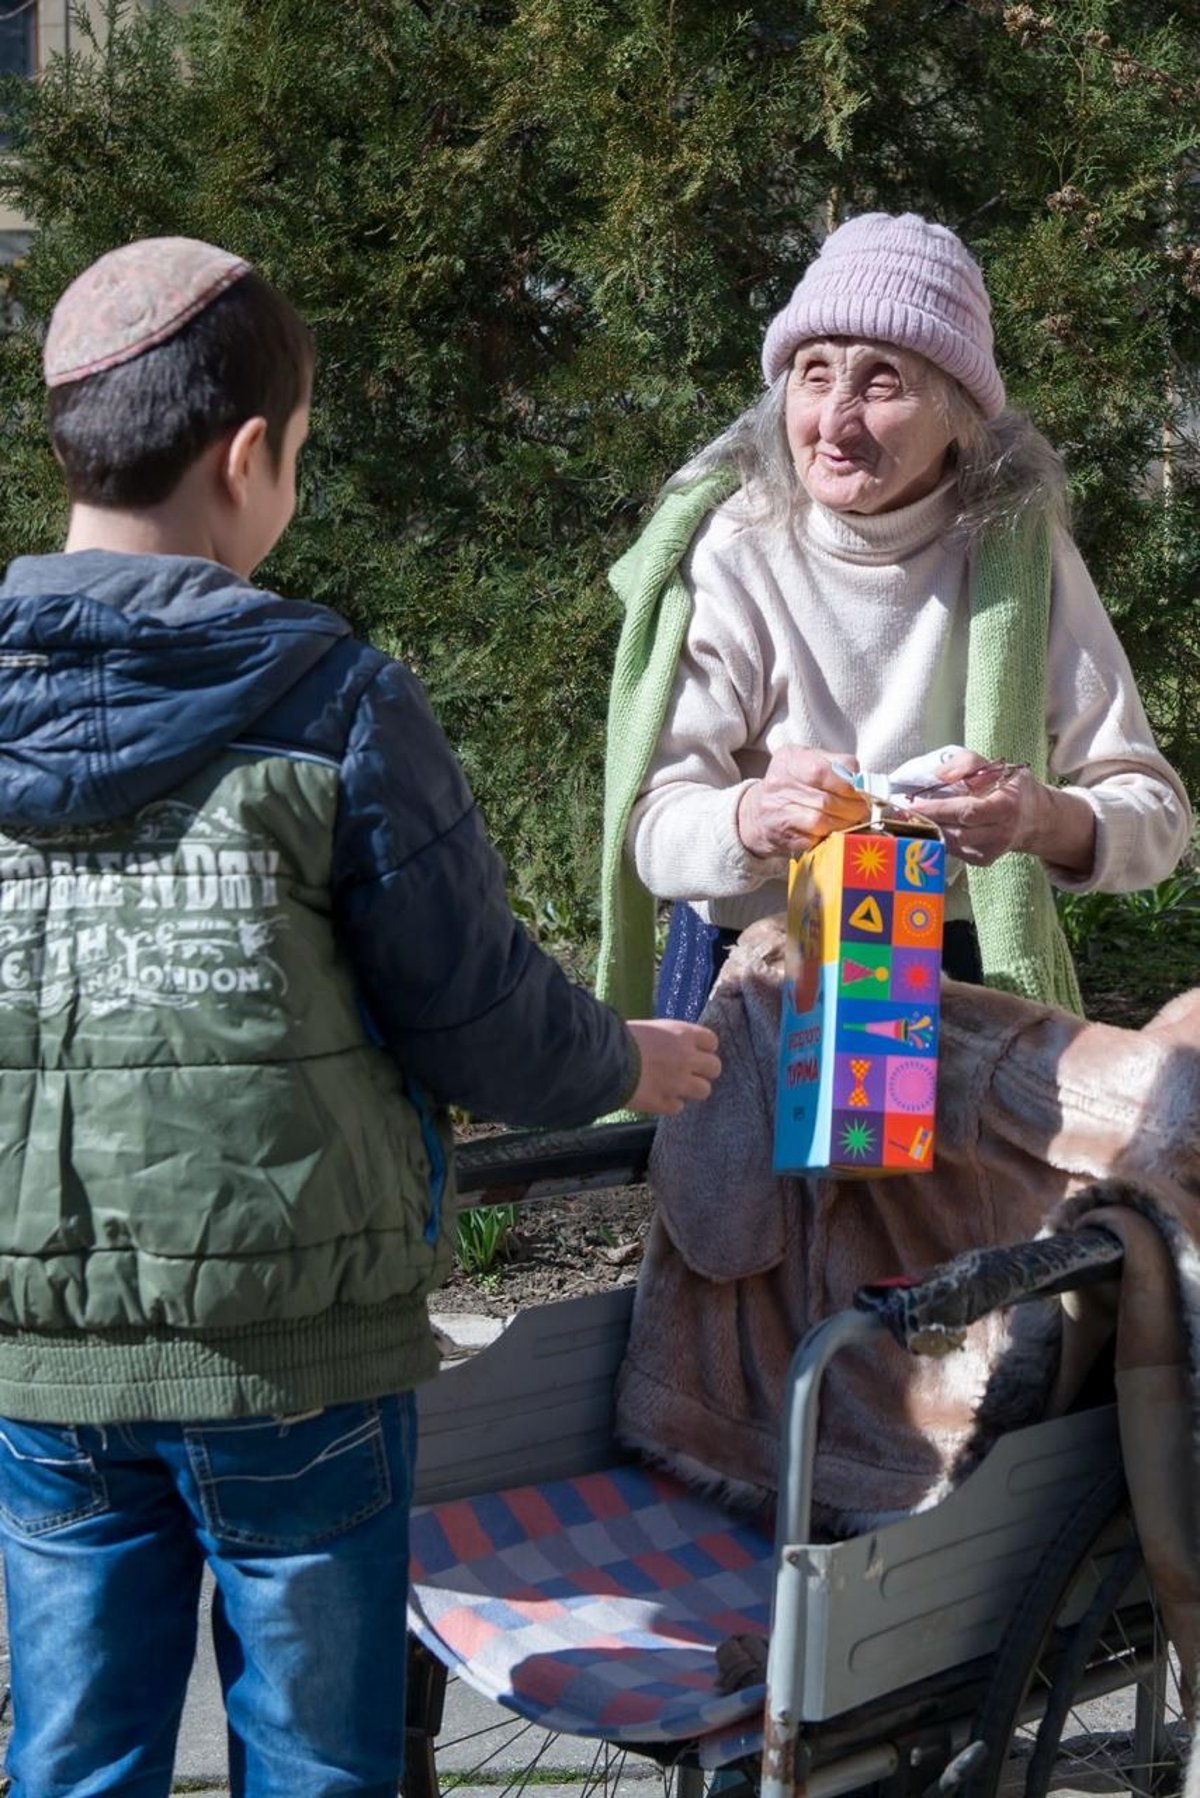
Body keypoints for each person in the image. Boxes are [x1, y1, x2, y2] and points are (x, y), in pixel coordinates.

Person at [0, 238, 720, 1798]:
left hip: (40, 1353)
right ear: (251, 454)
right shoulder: (327, 698)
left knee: (71, 1754)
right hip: (296, 1349)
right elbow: (475, 1014)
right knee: (320, 1758)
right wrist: (631, 1058)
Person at [595, 211, 1192, 1023]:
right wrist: (752, 817)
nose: (834, 422)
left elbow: (1156, 821)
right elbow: (652, 834)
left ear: (960, 416)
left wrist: (1040, 818)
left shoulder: (1016, 552)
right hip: (754, 969)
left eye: (880, 383)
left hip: (961, 970)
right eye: (812, 374)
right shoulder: (733, 547)